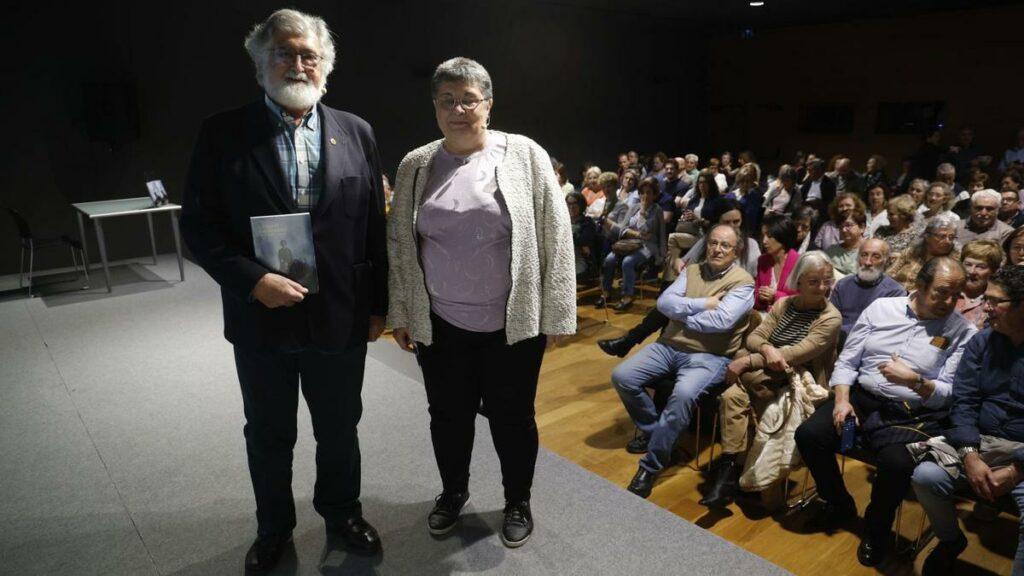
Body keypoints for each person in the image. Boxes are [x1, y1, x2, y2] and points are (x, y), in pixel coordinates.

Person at [179, 9, 389, 570]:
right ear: (260, 62)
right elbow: (198, 228)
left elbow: (374, 229)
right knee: (269, 434)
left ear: (325, 65)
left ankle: (342, 514)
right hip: (261, 317)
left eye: (309, 55)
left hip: (341, 318)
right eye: (284, 53)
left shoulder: (357, 131)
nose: (297, 64)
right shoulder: (222, 133)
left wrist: (380, 308)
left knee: (340, 428)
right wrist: (253, 281)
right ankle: (274, 528)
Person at [387, 57, 576, 548]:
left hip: (511, 323)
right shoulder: (416, 164)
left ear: (488, 104)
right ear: (434, 107)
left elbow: (557, 233)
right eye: (447, 100)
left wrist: (557, 311)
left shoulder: (525, 155)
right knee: (447, 417)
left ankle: (517, 499)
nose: (458, 109)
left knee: (513, 418)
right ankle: (452, 493)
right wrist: (403, 311)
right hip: (442, 323)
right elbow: (400, 245)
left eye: (469, 99)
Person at [794, 257, 976, 567]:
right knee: (809, 434)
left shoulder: (962, 331)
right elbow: (848, 360)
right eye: (942, 292)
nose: (950, 301)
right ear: (920, 285)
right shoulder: (882, 309)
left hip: (913, 411)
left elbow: (948, 394)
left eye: (957, 294)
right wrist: (841, 400)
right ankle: (838, 503)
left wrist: (916, 381)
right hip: (863, 397)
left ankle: (876, 530)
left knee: (895, 463)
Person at [612, 225, 755, 498]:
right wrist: (703, 304)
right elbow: (664, 303)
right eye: (713, 243)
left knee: (683, 395)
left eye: (725, 245)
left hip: (709, 356)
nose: (717, 249)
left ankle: (651, 466)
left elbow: (721, 321)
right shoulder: (692, 270)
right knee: (622, 376)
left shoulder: (743, 282)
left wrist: (682, 311)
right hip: (669, 346)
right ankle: (658, 435)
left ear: (736, 252)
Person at [702, 251, 841, 508]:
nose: (822, 287)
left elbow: (796, 354)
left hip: (800, 381)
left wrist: (748, 360)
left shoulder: (830, 317)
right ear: (798, 281)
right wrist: (767, 350)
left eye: (827, 280)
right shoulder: (783, 305)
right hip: (766, 375)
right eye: (814, 281)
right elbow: (755, 338)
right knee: (731, 397)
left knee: (751, 403)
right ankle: (731, 472)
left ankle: (743, 477)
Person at [910, 265, 1024, 576]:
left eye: (995, 301)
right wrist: (970, 455)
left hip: (1021, 454)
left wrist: (1017, 470)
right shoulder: (982, 342)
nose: (985, 307)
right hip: (981, 440)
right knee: (925, 476)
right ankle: (950, 540)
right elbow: (964, 402)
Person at [595, 199, 757, 359]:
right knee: (669, 299)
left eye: (736, 222)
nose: (732, 226)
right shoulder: (710, 241)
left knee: (671, 308)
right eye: (726, 222)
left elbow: (750, 280)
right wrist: (678, 261)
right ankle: (654, 344)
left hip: (726, 299)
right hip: (701, 293)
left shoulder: (751, 245)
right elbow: (684, 261)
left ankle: (633, 341)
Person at [598, 178, 666, 311]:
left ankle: (627, 296)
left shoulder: (657, 210)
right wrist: (636, 234)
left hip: (648, 245)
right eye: (642, 193)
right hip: (629, 243)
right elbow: (622, 229)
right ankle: (606, 292)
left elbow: (661, 233)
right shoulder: (634, 207)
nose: (645, 196)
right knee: (609, 260)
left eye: (649, 193)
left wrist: (662, 256)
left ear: (654, 194)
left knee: (628, 262)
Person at [830, 238, 907, 346]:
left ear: (887, 261)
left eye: (876, 257)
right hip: (835, 343)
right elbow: (831, 320)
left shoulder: (895, 292)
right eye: (864, 255)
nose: (867, 262)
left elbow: (881, 331)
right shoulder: (843, 284)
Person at [887, 214, 960, 292]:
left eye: (951, 237)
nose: (947, 241)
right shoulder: (911, 252)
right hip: (895, 294)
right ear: (927, 236)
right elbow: (889, 275)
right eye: (942, 236)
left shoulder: (954, 261)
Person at [755, 215, 801, 311]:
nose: (764, 241)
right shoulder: (763, 260)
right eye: (763, 235)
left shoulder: (799, 262)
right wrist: (760, 297)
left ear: (782, 236)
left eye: (769, 236)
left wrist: (775, 296)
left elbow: (803, 299)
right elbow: (756, 295)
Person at [957, 240, 1003, 330]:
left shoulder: (995, 303)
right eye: (968, 264)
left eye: (980, 267)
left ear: (994, 271)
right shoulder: (948, 292)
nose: (971, 271)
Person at [727, 162, 764, 238]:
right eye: (742, 181)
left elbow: (752, 220)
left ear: (752, 181)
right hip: (728, 232)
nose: (744, 184)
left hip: (745, 234)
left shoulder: (755, 197)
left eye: (747, 181)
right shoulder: (730, 195)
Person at [567, 192, 599, 280]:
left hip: (581, 261)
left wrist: (565, 234)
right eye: (569, 204)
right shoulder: (563, 222)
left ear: (581, 205)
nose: (571, 207)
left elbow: (583, 240)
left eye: (575, 203)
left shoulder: (587, 222)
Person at [824, 212, 866, 276]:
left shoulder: (869, 250)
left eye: (848, 225)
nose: (843, 230)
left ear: (862, 228)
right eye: (840, 227)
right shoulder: (831, 252)